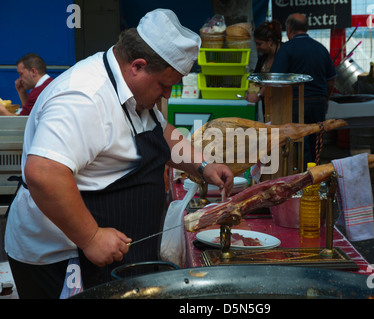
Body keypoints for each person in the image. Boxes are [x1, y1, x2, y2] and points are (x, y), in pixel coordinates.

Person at [4, 9, 234, 299]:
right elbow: (43, 172)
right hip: (62, 257)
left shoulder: (132, 89)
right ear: (137, 66)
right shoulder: (84, 97)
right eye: (164, 85)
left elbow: (160, 132)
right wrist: (90, 236)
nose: (166, 95)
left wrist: (202, 165)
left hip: (113, 251)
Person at [271, 13, 337, 166]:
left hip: (294, 104)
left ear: (289, 29)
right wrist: (325, 98)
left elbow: (276, 80)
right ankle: (315, 175)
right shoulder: (320, 48)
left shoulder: (287, 49)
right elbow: (331, 79)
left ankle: (299, 176)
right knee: (316, 142)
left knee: (297, 142)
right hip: (318, 103)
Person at [245, 20, 282, 105]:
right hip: (267, 104)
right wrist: (252, 92)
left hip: (282, 103)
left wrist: (259, 95)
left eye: (259, 44)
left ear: (270, 41)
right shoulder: (263, 58)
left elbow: (276, 79)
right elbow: (255, 78)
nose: (257, 47)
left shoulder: (284, 54)